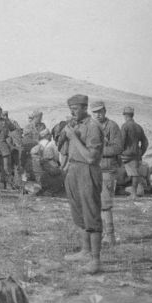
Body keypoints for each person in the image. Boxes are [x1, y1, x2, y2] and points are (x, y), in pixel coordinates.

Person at [59, 94, 104, 275]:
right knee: (79, 212)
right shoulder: (75, 125)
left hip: (87, 171)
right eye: (71, 109)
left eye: (75, 109)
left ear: (85, 108)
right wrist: (66, 133)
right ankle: (85, 251)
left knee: (91, 213)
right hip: (74, 170)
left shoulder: (93, 127)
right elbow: (63, 147)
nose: (72, 112)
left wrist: (74, 138)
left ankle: (96, 260)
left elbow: (92, 157)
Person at [91, 101, 123, 246]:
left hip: (107, 170)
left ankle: (110, 236)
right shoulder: (91, 126)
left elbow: (118, 148)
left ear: (105, 111)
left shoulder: (112, 126)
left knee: (105, 204)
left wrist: (98, 151)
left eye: (100, 111)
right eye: (95, 112)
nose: (98, 114)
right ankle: (100, 234)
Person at [120, 106, 149, 200]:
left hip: (126, 155)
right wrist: (141, 152)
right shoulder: (138, 127)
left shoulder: (125, 126)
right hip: (136, 155)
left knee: (133, 174)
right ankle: (134, 192)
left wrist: (119, 152)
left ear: (124, 115)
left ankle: (133, 194)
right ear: (133, 115)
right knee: (135, 173)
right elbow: (145, 142)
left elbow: (121, 141)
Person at [29, 128, 65, 195]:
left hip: (38, 177)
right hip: (42, 179)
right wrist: (61, 170)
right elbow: (52, 171)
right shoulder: (42, 160)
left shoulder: (36, 157)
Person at [21, 110, 47, 180]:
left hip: (40, 149)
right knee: (28, 166)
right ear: (35, 117)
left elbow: (46, 136)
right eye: (40, 117)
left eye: (41, 117)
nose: (41, 119)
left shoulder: (42, 125)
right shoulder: (28, 127)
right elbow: (26, 140)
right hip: (29, 149)